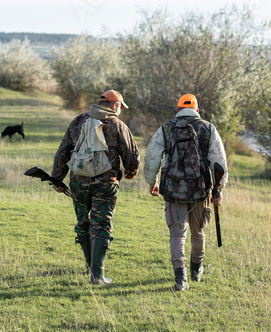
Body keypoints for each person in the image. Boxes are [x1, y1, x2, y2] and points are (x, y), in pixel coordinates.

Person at [51, 90, 140, 284]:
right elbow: (132, 154)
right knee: (101, 225)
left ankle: (91, 268)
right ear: (116, 105)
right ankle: (97, 276)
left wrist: (57, 179)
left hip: (78, 182)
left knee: (83, 223)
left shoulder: (77, 121)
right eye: (120, 107)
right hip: (106, 185)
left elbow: (63, 152)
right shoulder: (118, 125)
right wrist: (131, 171)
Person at [144, 93, 228, 291]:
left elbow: (151, 158)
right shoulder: (208, 128)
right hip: (200, 191)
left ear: (177, 110)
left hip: (173, 190)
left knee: (177, 234)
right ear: (197, 111)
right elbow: (219, 162)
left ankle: (180, 279)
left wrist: (152, 182)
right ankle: (196, 270)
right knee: (198, 232)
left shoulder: (166, 129)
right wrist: (218, 190)